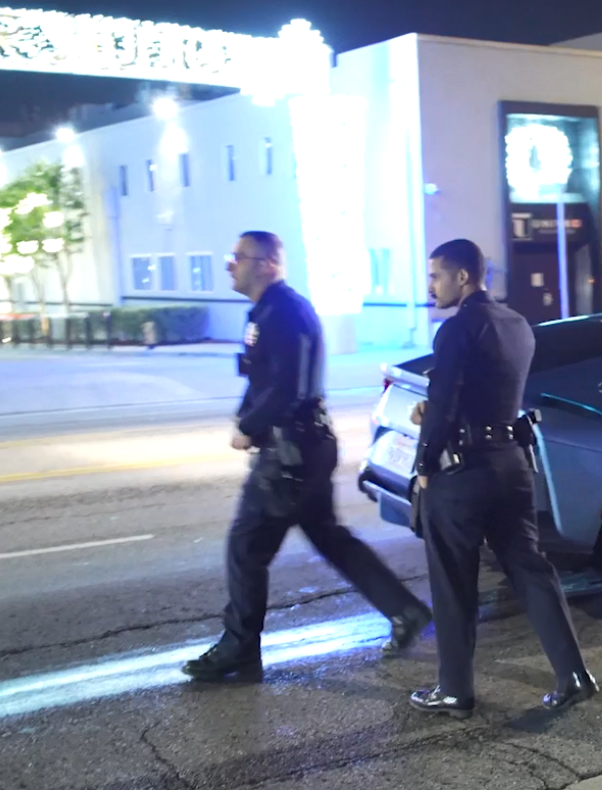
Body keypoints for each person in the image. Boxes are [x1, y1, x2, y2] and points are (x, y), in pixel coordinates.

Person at [183, 231, 433, 681]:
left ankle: (239, 647)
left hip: (291, 452)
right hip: (299, 446)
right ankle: (405, 611)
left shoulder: (285, 313)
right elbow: (262, 381)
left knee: (246, 547)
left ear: (267, 264)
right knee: (329, 536)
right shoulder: (267, 312)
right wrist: (246, 417)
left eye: (237, 257)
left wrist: (250, 427)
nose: (229, 265)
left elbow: (289, 387)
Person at [407, 238, 595, 718]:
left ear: (462, 277)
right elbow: (491, 390)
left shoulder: (455, 331)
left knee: (453, 581)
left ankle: (455, 689)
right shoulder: (517, 325)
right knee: (530, 567)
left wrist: (425, 465)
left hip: (463, 471)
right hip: (510, 461)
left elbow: (445, 402)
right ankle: (574, 674)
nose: (431, 286)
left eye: (436, 276)